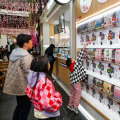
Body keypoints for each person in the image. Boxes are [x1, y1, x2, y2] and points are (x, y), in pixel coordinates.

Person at [3, 34, 33, 120]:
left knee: (20, 106)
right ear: (25, 43)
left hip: (16, 85)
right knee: (25, 108)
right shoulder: (26, 57)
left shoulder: (14, 53)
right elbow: (29, 75)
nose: (32, 43)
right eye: (30, 41)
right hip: (23, 87)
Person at [25, 56, 62, 120]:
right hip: (46, 114)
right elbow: (47, 104)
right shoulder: (45, 82)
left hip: (38, 111)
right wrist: (57, 104)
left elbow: (29, 92)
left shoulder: (33, 78)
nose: (49, 64)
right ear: (44, 66)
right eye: (48, 62)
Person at [66, 43, 88, 114]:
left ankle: (70, 105)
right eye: (72, 59)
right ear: (72, 62)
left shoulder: (71, 68)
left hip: (72, 82)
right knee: (77, 95)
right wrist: (84, 47)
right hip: (77, 82)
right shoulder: (76, 64)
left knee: (72, 93)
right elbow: (80, 56)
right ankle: (75, 107)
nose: (73, 59)